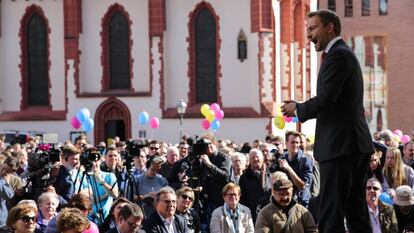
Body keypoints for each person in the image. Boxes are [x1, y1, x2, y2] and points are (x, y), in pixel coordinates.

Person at [281, 9, 374, 233]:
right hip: (350, 145)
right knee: (355, 214)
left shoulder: (338, 55)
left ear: (330, 27)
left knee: (331, 215)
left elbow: (327, 99)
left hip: (341, 147)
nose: (309, 35)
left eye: (312, 28)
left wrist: (298, 109)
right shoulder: (340, 54)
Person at [280, 131, 313, 207]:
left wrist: (288, 168)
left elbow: (302, 186)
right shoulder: (282, 158)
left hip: (301, 203)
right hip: (284, 201)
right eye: (292, 142)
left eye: (297, 142)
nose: (295, 145)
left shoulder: (305, 160)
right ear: (286, 143)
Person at [239, 149, 270, 222]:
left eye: (257, 157)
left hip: (269, 212)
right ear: (249, 160)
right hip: (252, 214)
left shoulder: (270, 173)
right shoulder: (244, 177)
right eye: (252, 158)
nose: (255, 159)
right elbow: (242, 198)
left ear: (262, 159)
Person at [0, 156, 16, 227]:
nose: (2, 171)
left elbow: (8, 196)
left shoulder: (5, 180)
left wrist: (6, 180)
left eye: (7, 171)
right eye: (3, 168)